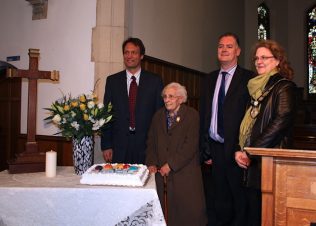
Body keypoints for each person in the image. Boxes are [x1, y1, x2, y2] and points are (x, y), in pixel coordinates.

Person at [235, 39, 296, 226]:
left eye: (264, 58)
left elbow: (280, 123)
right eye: (256, 58)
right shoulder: (255, 88)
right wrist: (240, 149)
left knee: (268, 215)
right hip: (252, 161)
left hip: (270, 161)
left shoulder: (284, 87)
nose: (259, 61)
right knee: (252, 214)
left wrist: (251, 151)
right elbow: (247, 125)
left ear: (277, 61)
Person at [199, 32, 254, 226]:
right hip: (215, 148)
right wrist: (205, 149)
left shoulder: (249, 79)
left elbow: (252, 118)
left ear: (238, 51)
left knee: (239, 198)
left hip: (237, 150)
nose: (224, 49)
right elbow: (205, 114)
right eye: (220, 46)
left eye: (229, 46)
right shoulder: (209, 78)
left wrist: (246, 150)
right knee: (218, 198)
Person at [146, 82, 207, 226]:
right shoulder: (158, 116)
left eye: (171, 97)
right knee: (165, 213)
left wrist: (171, 164)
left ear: (180, 98)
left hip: (185, 173)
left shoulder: (192, 115)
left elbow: (190, 146)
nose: (167, 100)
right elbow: (151, 142)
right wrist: (151, 163)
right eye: (165, 97)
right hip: (162, 174)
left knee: (187, 213)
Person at [101, 37, 163, 164]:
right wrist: (106, 144)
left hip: (146, 146)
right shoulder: (112, 81)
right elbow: (106, 115)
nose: (129, 56)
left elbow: (160, 116)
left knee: (145, 182)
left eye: (134, 52)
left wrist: (158, 147)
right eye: (126, 52)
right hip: (119, 146)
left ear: (141, 56)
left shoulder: (155, 81)